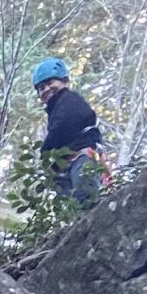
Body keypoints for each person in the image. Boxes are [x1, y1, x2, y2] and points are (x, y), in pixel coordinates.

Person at [32, 57, 110, 206]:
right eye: (42, 88)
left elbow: (62, 126)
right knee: (72, 205)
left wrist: (46, 151)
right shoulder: (56, 109)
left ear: (65, 81)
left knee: (85, 199)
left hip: (82, 155)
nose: (46, 89)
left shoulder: (70, 100)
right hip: (69, 162)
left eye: (50, 83)